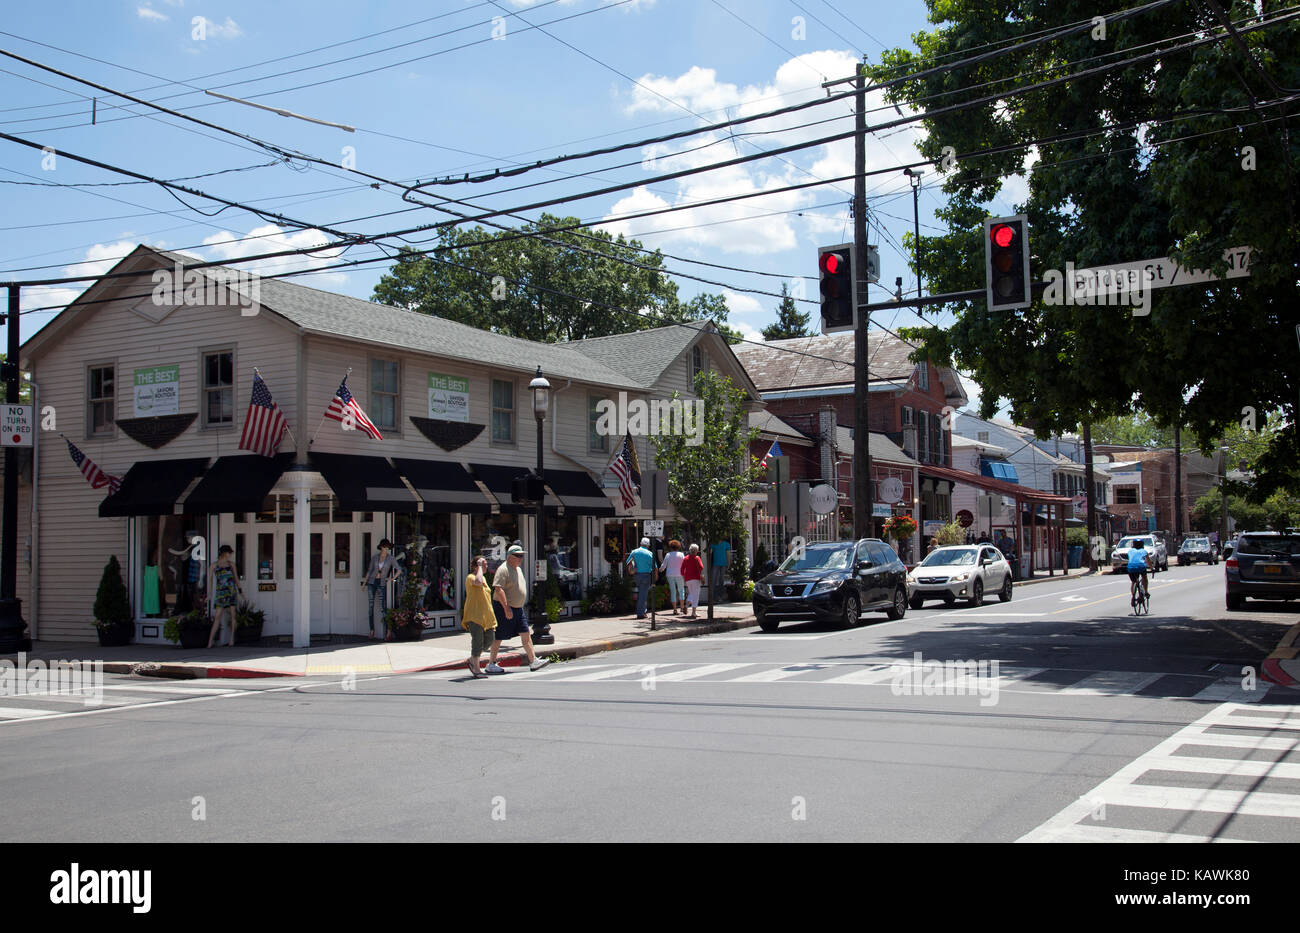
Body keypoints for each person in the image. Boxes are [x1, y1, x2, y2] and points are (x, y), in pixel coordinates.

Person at [486, 545, 550, 673]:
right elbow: (498, 589)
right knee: (498, 636)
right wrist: (506, 608)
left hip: (518, 609)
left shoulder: (518, 569)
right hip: (504, 607)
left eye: (522, 555)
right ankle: (491, 663)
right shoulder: (503, 569)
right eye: (518, 555)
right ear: (510, 556)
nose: (521, 558)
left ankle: (533, 661)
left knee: (526, 634)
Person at [461, 555, 497, 679]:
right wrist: (480, 567)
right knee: (477, 642)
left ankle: (472, 659)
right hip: (474, 616)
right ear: (476, 566)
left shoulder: (484, 579)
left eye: (486, 564)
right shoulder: (471, 577)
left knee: (489, 640)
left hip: (486, 617)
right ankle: (476, 669)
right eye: (483, 564)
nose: (486, 566)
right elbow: (478, 582)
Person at [206, 545, 242, 648]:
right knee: (218, 616)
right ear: (225, 553)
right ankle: (210, 641)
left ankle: (231, 639)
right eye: (229, 553)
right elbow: (210, 580)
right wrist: (210, 594)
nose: (230, 555)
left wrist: (240, 592)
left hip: (231, 592)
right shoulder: (214, 565)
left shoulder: (231, 565)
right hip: (220, 593)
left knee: (233, 615)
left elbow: (236, 579)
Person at [362, 539, 398, 640]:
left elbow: (399, 569)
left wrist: (392, 578)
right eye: (385, 547)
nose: (387, 549)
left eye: (388, 548)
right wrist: (364, 584)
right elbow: (369, 571)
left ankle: (388, 631)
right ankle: (372, 630)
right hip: (372, 582)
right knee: (370, 607)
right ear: (381, 547)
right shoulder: (375, 558)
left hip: (381, 583)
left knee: (383, 607)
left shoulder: (390, 558)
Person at [626, 536, 656, 619]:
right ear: (648, 545)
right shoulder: (650, 553)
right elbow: (654, 566)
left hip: (636, 575)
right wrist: (656, 577)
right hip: (646, 575)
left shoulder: (634, 552)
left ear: (640, 544)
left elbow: (628, 561)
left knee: (643, 593)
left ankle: (644, 611)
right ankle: (640, 613)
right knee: (643, 594)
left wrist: (634, 567)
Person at [659, 539, 686, 615]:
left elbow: (664, 565)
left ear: (671, 547)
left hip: (670, 575)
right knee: (681, 590)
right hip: (680, 574)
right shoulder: (681, 554)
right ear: (678, 546)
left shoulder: (668, 555)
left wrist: (660, 569)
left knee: (673, 591)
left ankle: (675, 609)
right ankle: (682, 607)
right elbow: (684, 564)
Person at [681, 543, 704, 620]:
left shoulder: (685, 558)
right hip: (696, 578)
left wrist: (684, 576)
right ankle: (693, 612)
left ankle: (686, 606)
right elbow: (701, 567)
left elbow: (682, 569)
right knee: (696, 595)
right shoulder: (697, 558)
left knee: (691, 593)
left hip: (688, 579)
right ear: (696, 550)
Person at [1127, 538, 1150, 610]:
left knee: (1133, 582)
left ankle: (1133, 596)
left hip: (1131, 567)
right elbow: (1148, 561)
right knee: (1144, 578)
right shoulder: (1144, 551)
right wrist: (1152, 568)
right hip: (1141, 566)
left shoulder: (1130, 551)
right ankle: (1146, 592)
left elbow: (1131, 559)